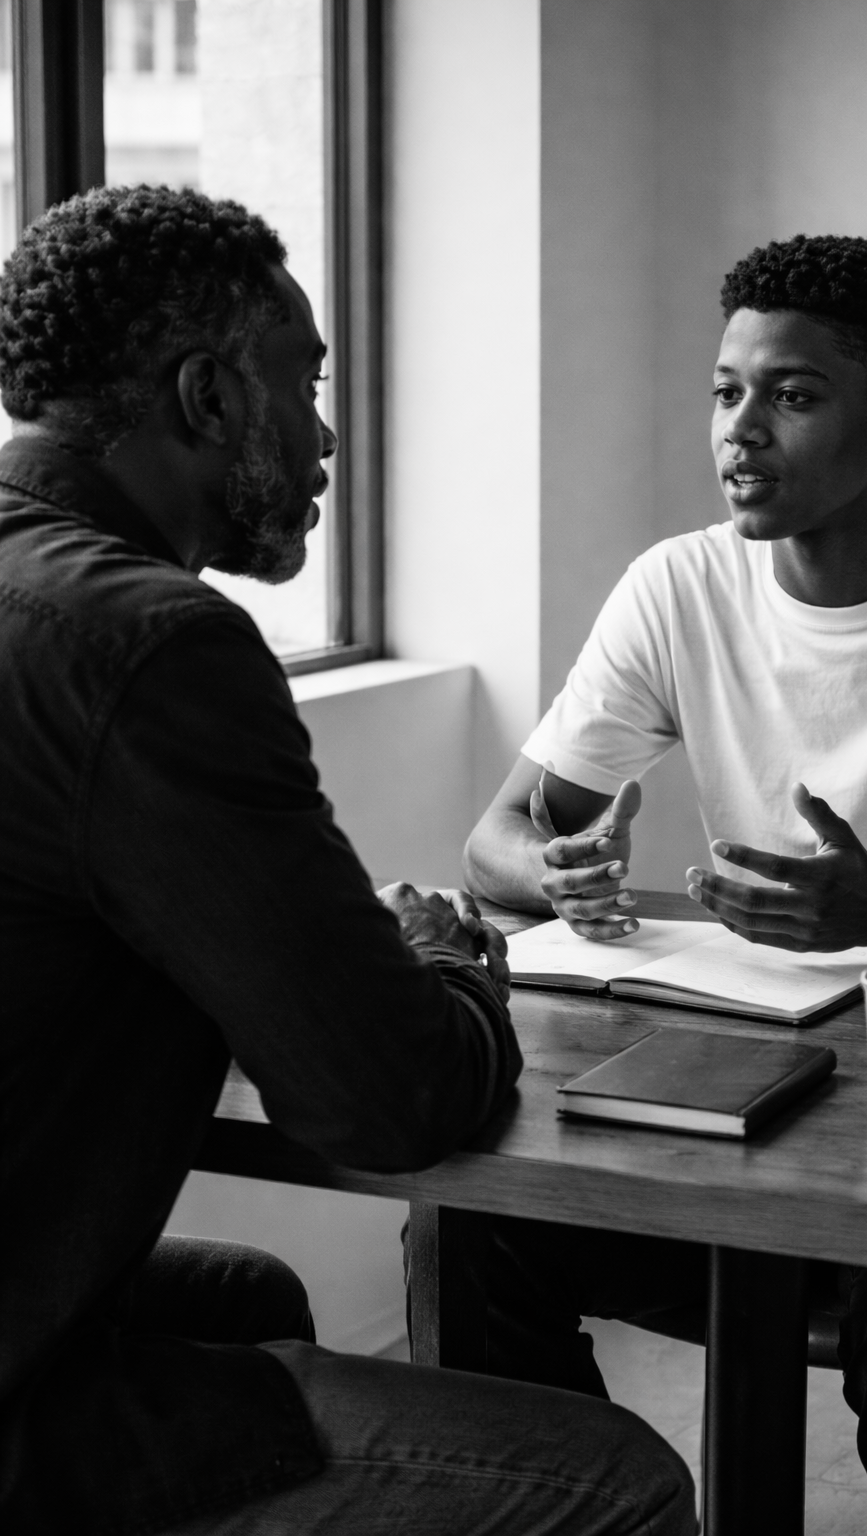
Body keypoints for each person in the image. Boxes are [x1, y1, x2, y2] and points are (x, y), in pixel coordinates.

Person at [0, 184, 696, 1536]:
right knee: (615, 1482)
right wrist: (437, 952)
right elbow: (394, 1105)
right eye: (303, 385)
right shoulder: (150, 645)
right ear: (209, 395)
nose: (323, 436)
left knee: (246, 1305)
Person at [460, 233, 867, 1534]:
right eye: (725, 392)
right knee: (482, 1236)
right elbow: (495, 841)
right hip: (751, 1073)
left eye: (793, 394)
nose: (742, 431)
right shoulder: (679, 583)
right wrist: (552, 868)